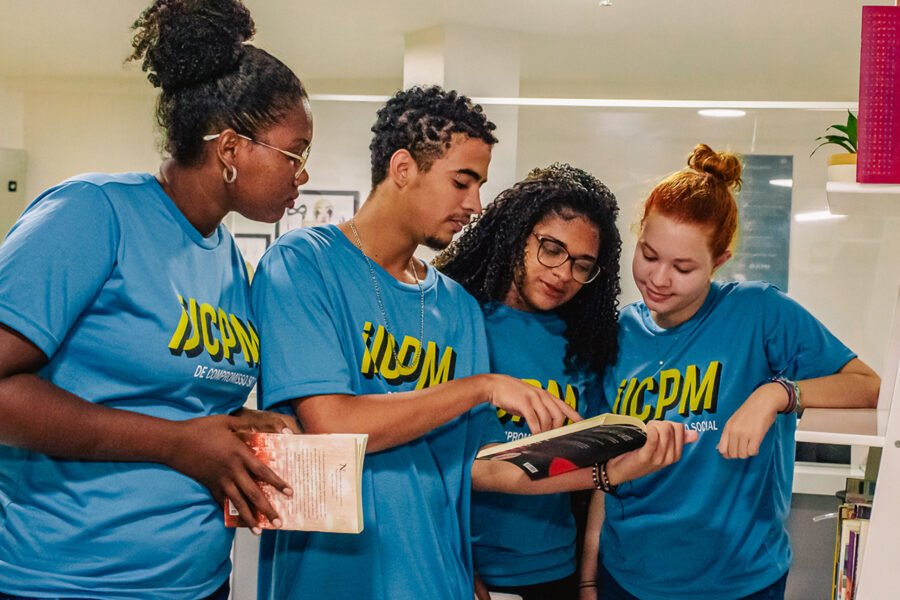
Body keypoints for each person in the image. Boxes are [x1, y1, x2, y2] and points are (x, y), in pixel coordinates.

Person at [251, 85, 693, 600]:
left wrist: (610, 471)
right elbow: (332, 424)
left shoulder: (456, 306)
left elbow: (484, 467)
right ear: (402, 168)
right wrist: (483, 387)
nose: (476, 204)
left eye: (479, 185)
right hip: (330, 576)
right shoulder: (303, 262)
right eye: (462, 182)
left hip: (441, 579)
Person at [0, 1, 312, 597]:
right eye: (295, 154)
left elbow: (176, 399)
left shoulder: (228, 258)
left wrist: (235, 426)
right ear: (230, 149)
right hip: (68, 581)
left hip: (196, 582)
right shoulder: (93, 213)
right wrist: (175, 443)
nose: (302, 175)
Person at [582, 144, 881, 600]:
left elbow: (867, 386)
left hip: (740, 583)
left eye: (683, 267)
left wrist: (775, 395)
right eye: (649, 254)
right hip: (627, 577)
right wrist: (589, 575)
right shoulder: (619, 332)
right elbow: (607, 470)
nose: (659, 278)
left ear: (719, 261)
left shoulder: (759, 312)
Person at [434, 163, 623, 599]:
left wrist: (586, 577)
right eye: (551, 249)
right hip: (460, 565)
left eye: (583, 264)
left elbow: (588, 465)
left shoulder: (586, 343)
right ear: (517, 234)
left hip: (554, 569)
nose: (563, 273)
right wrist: (458, 563)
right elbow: (430, 463)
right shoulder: (456, 318)